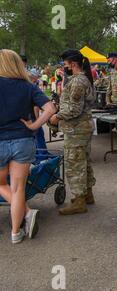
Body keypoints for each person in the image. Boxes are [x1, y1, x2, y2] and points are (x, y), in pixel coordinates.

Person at [0, 49, 56, 243]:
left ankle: (28, 212)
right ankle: (16, 232)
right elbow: (50, 108)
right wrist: (34, 125)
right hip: (23, 140)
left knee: (1, 184)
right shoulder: (28, 86)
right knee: (18, 189)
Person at [46, 49, 97, 215]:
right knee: (83, 162)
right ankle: (87, 195)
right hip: (82, 128)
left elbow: (74, 109)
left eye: (65, 64)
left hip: (77, 129)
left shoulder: (77, 82)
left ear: (73, 64)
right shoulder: (82, 79)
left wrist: (56, 117)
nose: (63, 67)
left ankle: (79, 201)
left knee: (74, 164)